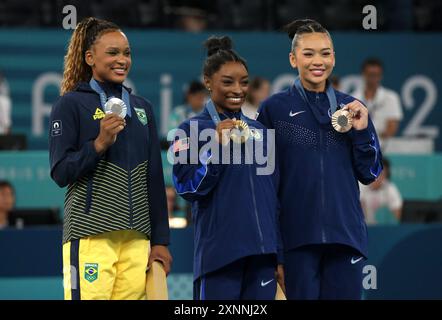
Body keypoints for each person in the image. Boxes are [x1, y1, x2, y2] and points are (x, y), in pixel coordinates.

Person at [257, 19, 383, 300]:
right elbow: (265, 185)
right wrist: (275, 249)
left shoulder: (352, 108)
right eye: (309, 53)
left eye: (325, 53)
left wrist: (362, 133)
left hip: (345, 238)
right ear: (293, 59)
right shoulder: (274, 109)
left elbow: (371, 173)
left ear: (334, 58)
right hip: (296, 241)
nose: (318, 61)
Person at [49, 17, 171, 300]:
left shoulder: (143, 109)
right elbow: (60, 172)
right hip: (92, 235)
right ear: (90, 57)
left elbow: (153, 178)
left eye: (127, 53)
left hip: (137, 239)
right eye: (113, 53)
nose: (122, 60)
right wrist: (99, 143)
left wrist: (161, 241)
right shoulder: (70, 104)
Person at [172, 36, 280, 300]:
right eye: (228, 82)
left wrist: (280, 254)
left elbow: (275, 197)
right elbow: (187, 188)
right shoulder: (189, 130)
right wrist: (216, 148)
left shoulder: (262, 132)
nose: (238, 89)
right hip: (220, 254)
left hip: (263, 255)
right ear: (208, 82)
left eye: (244, 82)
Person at [352, 58, 403, 147]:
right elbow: (351, 126)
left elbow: (392, 127)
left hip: (385, 147)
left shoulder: (391, 97)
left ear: (381, 75)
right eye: (370, 74)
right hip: (359, 145)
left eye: (376, 75)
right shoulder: (353, 98)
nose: (373, 78)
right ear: (363, 74)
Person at [360, 158, 403, 225]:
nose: (377, 177)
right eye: (374, 172)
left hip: (384, 229)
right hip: (364, 228)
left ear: (386, 175)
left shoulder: (390, 189)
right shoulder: (361, 186)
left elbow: (396, 217)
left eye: (381, 174)